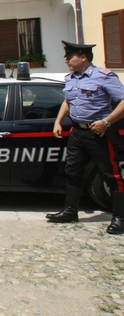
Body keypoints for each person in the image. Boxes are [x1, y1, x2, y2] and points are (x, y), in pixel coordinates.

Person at [47, 40, 124, 234]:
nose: (66, 61)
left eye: (69, 57)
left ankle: (120, 218)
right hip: (78, 133)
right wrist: (58, 121)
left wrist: (106, 122)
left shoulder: (103, 76)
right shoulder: (71, 78)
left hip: (99, 133)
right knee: (72, 172)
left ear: (83, 57)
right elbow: (68, 101)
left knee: (111, 176)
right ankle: (70, 211)